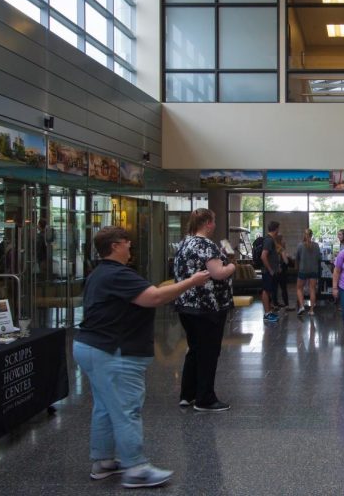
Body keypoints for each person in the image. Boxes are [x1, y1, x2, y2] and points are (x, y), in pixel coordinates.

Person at [73, 226, 210, 488]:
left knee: (104, 406)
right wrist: (192, 282)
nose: (130, 247)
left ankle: (102, 461)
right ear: (114, 246)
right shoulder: (118, 274)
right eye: (127, 242)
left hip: (91, 346)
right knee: (127, 408)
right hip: (114, 351)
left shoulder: (98, 274)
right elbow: (154, 297)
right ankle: (135, 468)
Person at [172, 209, 235, 413]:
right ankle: (205, 398)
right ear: (207, 223)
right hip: (208, 307)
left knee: (195, 348)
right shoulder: (207, 245)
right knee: (208, 351)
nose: (215, 225)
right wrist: (232, 267)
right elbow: (217, 274)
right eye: (214, 221)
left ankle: (187, 394)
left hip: (186, 305)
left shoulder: (184, 243)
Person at [295, 228, 321, 316]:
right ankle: (312, 310)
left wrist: (297, 268)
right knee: (312, 289)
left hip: (303, 270)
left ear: (304, 235)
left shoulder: (300, 245)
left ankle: (302, 306)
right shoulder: (316, 245)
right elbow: (319, 258)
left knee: (299, 288)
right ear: (311, 235)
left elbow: (297, 258)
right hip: (314, 270)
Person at [260, 221, 281, 323]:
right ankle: (267, 313)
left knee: (268, 291)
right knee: (266, 290)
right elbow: (263, 256)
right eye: (278, 229)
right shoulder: (269, 240)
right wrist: (270, 270)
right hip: (268, 271)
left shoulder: (270, 239)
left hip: (270, 270)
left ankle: (269, 311)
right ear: (276, 229)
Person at [274, 234, 292, 310]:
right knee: (283, 288)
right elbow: (286, 261)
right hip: (282, 272)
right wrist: (288, 257)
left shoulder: (274, 248)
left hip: (274, 271)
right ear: (280, 241)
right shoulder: (281, 250)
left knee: (274, 288)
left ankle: (275, 304)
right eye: (282, 240)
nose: (284, 241)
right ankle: (286, 305)